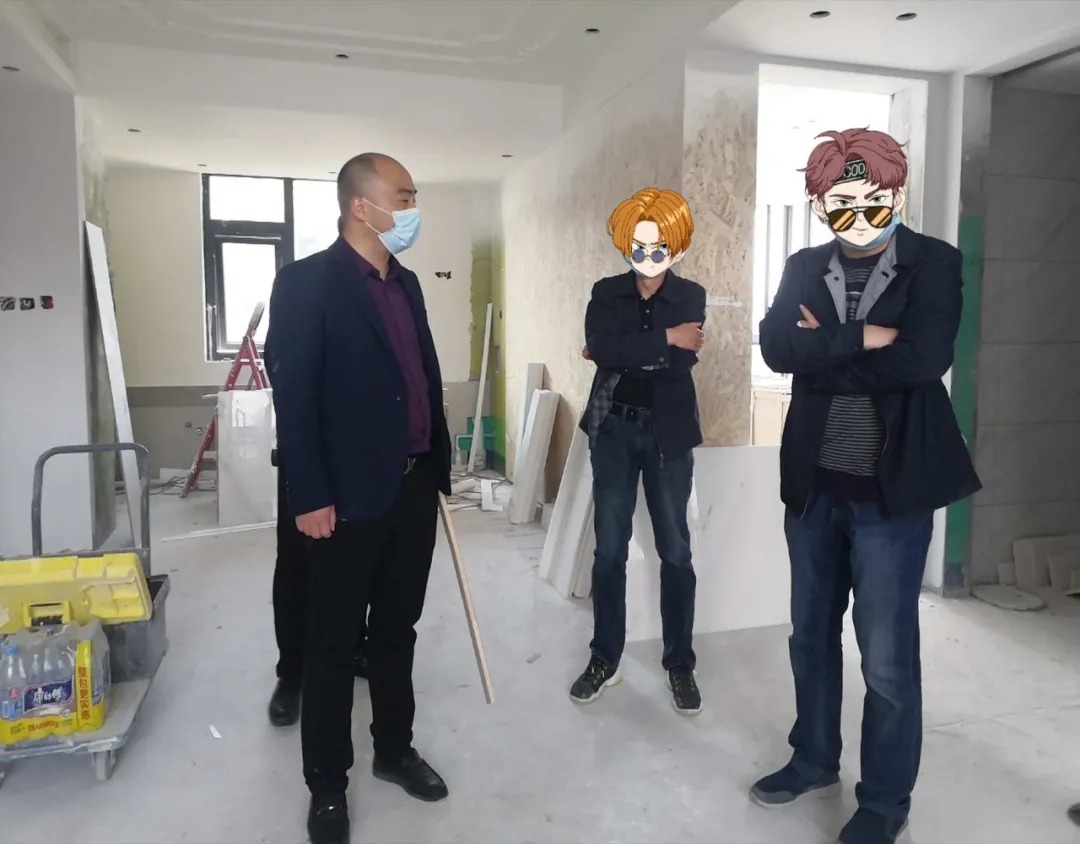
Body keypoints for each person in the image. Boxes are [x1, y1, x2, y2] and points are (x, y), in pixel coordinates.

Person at [753, 129, 981, 844]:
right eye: (840, 201)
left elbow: (922, 361)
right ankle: (814, 759)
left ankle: (884, 801)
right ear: (819, 204)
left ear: (897, 192)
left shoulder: (933, 263)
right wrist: (862, 337)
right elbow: (776, 347)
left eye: (872, 198)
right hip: (813, 489)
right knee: (809, 637)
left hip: (890, 494)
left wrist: (821, 350)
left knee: (886, 659)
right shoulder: (803, 266)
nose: (857, 214)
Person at [266, 152, 452, 844]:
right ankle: (327, 785)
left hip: (412, 488)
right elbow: (296, 397)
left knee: (397, 631)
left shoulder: (406, 284)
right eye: (403, 197)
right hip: (342, 499)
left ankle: (394, 750)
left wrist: (437, 467)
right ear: (360, 206)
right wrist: (309, 494)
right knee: (332, 643)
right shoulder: (306, 283)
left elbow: (419, 378)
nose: (411, 209)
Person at [572, 187, 707, 715]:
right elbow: (601, 347)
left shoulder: (690, 295)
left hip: (667, 435)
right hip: (614, 430)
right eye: (638, 244)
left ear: (677, 245)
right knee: (609, 550)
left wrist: (625, 349)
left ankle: (680, 664)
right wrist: (665, 338)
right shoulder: (606, 292)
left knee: (676, 551)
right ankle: (604, 658)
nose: (648, 255)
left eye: (659, 245)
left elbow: (669, 360)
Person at [265, 445, 369, 728]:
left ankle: (355, 647)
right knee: (296, 565)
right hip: (308, 454)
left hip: (363, 456)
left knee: (357, 558)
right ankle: (291, 673)